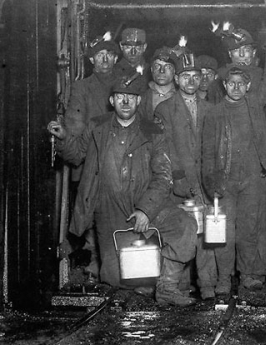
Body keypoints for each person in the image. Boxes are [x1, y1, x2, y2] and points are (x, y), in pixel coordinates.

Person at [51, 73, 198, 307]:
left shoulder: (153, 130)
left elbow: (163, 176)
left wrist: (146, 210)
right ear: (112, 101)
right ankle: (140, 286)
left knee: (185, 226)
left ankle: (167, 287)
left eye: (131, 97)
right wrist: (63, 138)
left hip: (145, 204)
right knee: (114, 278)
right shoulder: (96, 126)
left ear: (139, 101)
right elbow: (76, 155)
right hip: (108, 210)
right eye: (121, 97)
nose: (126, 102)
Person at [202, 30, 266, 294]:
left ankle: (248, 275)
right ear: (224, 85)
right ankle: (224, 278)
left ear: (248, 86)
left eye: (241, 83)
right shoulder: (214, 113)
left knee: (248, 229)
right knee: (224, 232)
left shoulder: (254, 104)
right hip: (224, 181)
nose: (236, 87)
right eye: (231, 83)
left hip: (251, 179)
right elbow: (208, 152)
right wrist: (211, 181)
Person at [47, 32, 119, 282]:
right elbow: (76, 128)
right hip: (91, 159)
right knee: (91, 216)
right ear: (92, 60)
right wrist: (67, 137)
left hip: (120, 161)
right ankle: (95, 260)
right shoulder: (82, 88)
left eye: (110, 55)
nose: (105, 59)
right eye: (100, 55)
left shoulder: (126, 84)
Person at [154, 46, 215, 298]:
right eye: (185, 76)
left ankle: (208, 285)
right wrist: (178, 179)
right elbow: (159, 150)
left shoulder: (211, 109)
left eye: (196, 76)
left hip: (205, 181)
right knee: (185, 230)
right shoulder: (163, 110)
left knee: (208, 233)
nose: (191, 81)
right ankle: (177, 286)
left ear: (201, 79)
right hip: (179, 183)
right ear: (176, 79)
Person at [141, 46, 176, 119]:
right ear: (151, 69)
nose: (162, 71)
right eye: (157, 66)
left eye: (168, 67)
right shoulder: (142, 98)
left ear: (174, 71)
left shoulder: (182, 97)